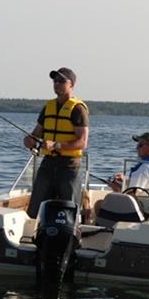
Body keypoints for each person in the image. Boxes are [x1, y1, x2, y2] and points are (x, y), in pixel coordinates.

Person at [23, 67, 89, 218]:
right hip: (47, 164)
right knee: (35, 209)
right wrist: (29, 140)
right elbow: (36, 133)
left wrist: (56, 145)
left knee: (68, 211)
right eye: (54, 81)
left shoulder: (78, 109)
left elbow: (82, 142)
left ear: (71, 84)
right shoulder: (48, 108)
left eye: (61, 81)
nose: (56, 84)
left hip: (69, 166)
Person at [107, 132, 149, 198]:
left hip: (144, 207)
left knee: (100, 203)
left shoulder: (145, 167)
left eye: (140, 145)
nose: (137, 148)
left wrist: (117, 188)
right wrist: (126, 180)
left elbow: (131, 197)